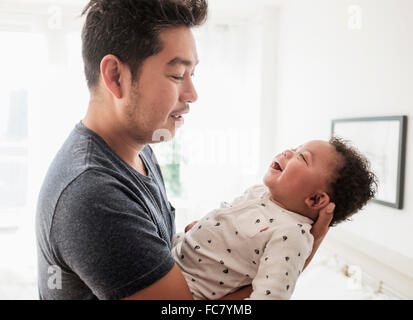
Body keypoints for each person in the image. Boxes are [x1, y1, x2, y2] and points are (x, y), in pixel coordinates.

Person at [35, 0, 334, 300]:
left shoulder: (140, 152)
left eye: (192, 76)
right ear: (115, 76)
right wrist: (298, 258)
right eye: (178, 75)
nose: (192, 94)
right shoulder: (93, 194)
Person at [172, 138, 377, 300]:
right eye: (296, 148)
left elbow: (270, 296)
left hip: (187, 289)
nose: (288, 151)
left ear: (315, 199)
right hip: (172, 254)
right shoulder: (259, 192)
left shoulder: (291, 234)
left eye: (302, 157)